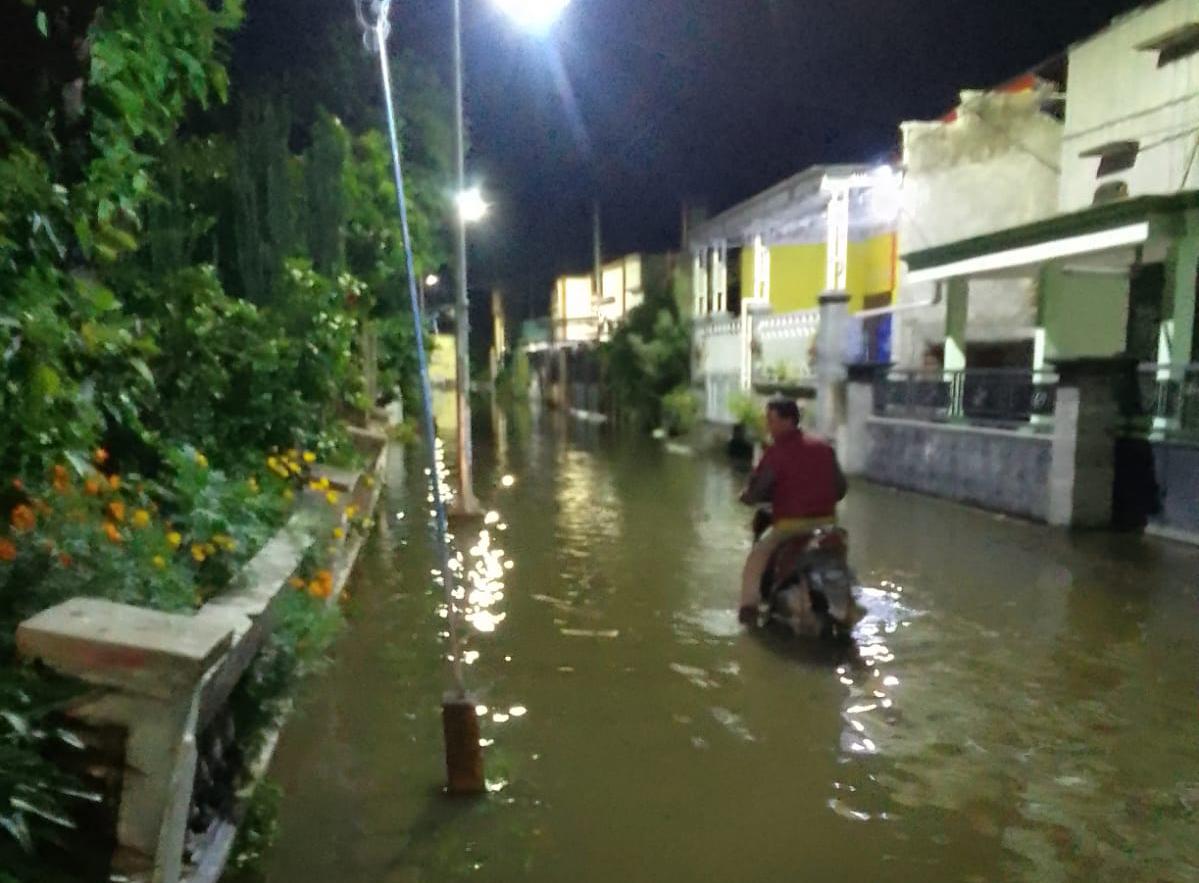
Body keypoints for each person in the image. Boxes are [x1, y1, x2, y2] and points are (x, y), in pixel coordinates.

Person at [738, 398, 847, 624]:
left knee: (756, 557)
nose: (768, 426)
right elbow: (840, 490)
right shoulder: (824, 447)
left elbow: (758, 491)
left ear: (789, 421)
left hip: (791, 526)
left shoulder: (777, 452)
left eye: (772, 420)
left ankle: (748, 609)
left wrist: (746, 497)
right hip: (827, 524)